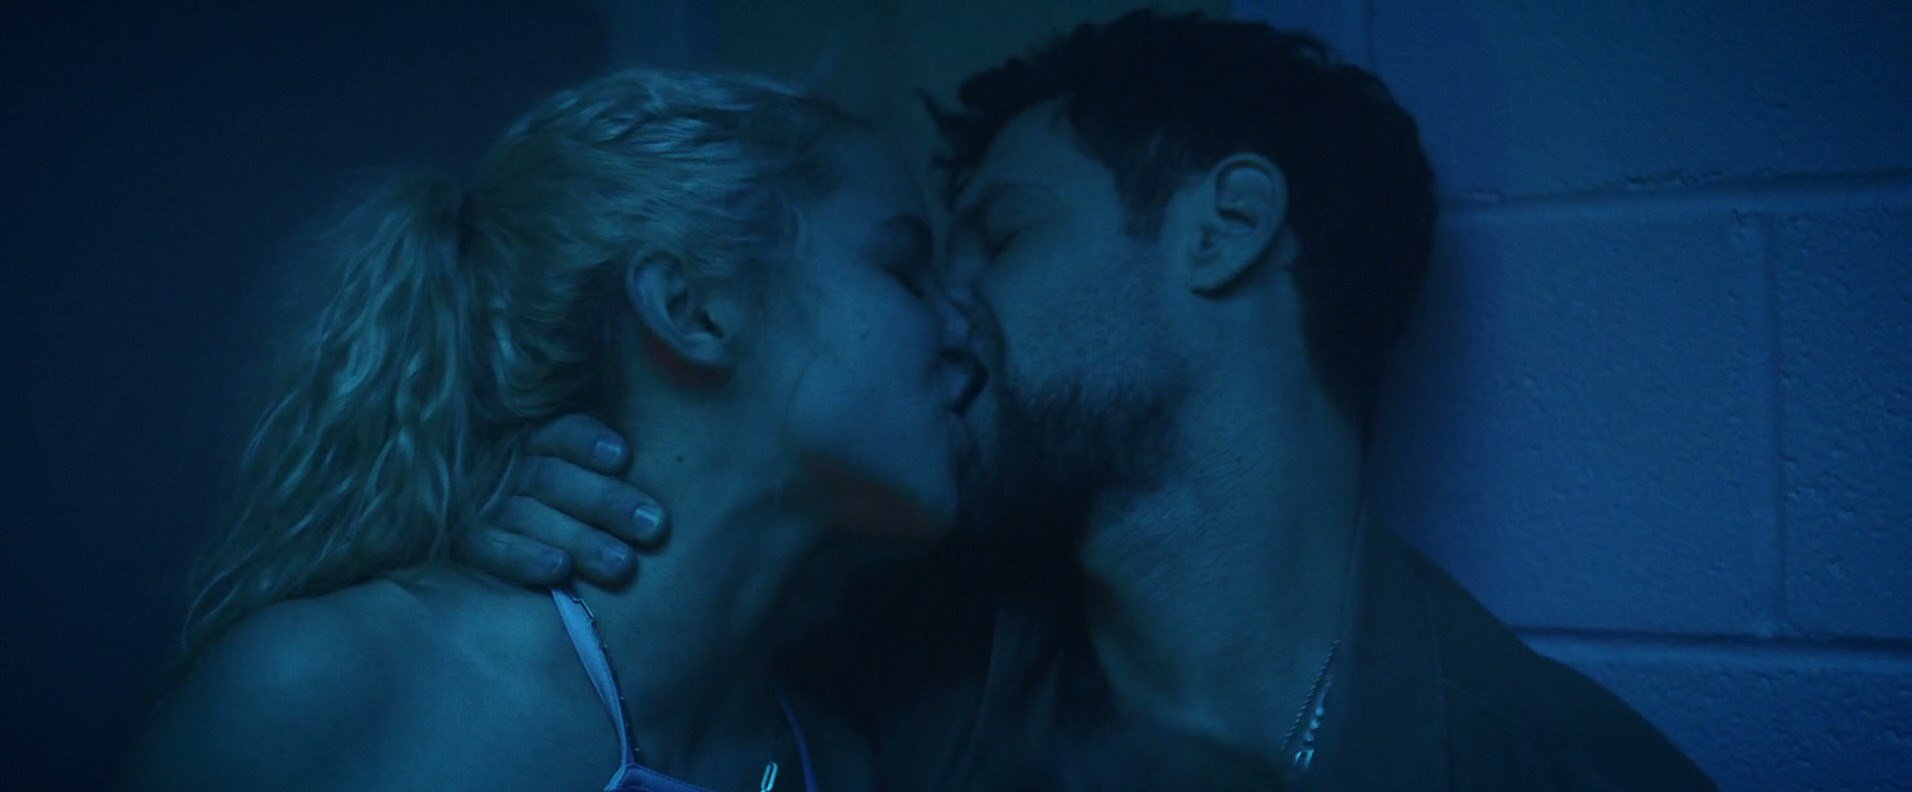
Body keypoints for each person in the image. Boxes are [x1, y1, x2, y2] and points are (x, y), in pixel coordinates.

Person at [477, 11, 1716, 790]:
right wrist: (520, 514)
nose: (944, 312)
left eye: (1001, 238)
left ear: (1225, 230)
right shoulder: (864, 671)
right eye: (917, 265)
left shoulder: (1559, 770)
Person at [123, 68, 985, 791]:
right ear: (694, 309)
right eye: (905, 269)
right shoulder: (323, 692)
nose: (965, 333)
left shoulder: (841, 767)